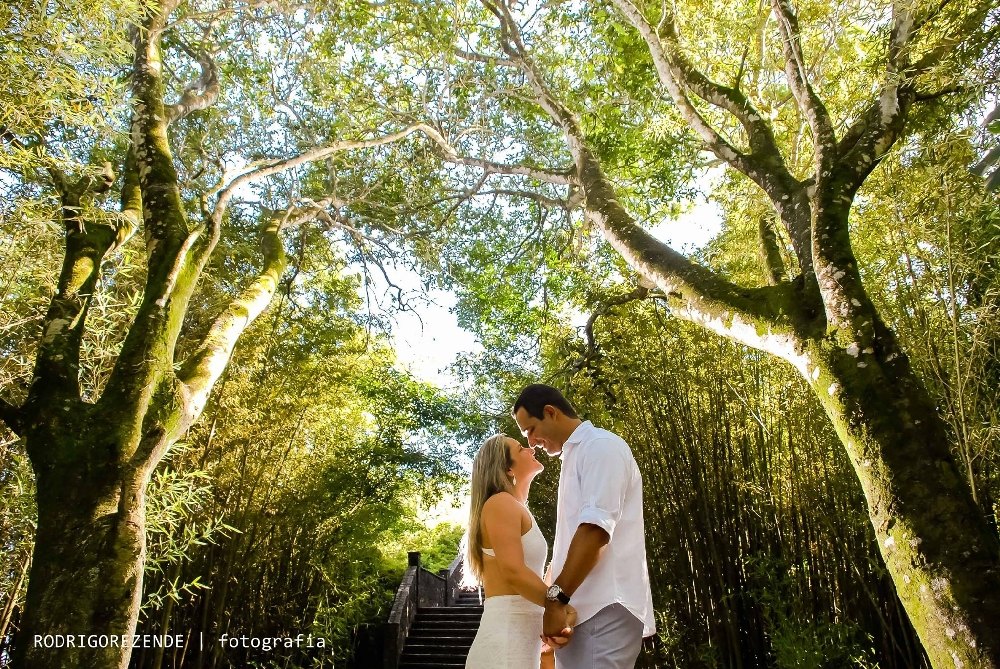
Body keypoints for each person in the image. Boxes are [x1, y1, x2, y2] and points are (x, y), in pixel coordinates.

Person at [512, 384, 656, 669]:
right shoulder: (575, 456)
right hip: (580, 614)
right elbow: (569, 543)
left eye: (530, 429)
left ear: (550, 413)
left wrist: (555, 600)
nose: (531, 442)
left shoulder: (600, 446)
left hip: (604, 607)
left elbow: (595, 530)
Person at [464, 434, 575, 669]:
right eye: (520, 448)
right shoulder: (500, 503)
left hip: (520, 642)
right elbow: (514, 572)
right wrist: (560, 606)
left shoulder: (516, 508)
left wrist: (553, 625)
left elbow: (532, 576)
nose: (530, 449)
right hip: (504, 645)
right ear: (508, 469)